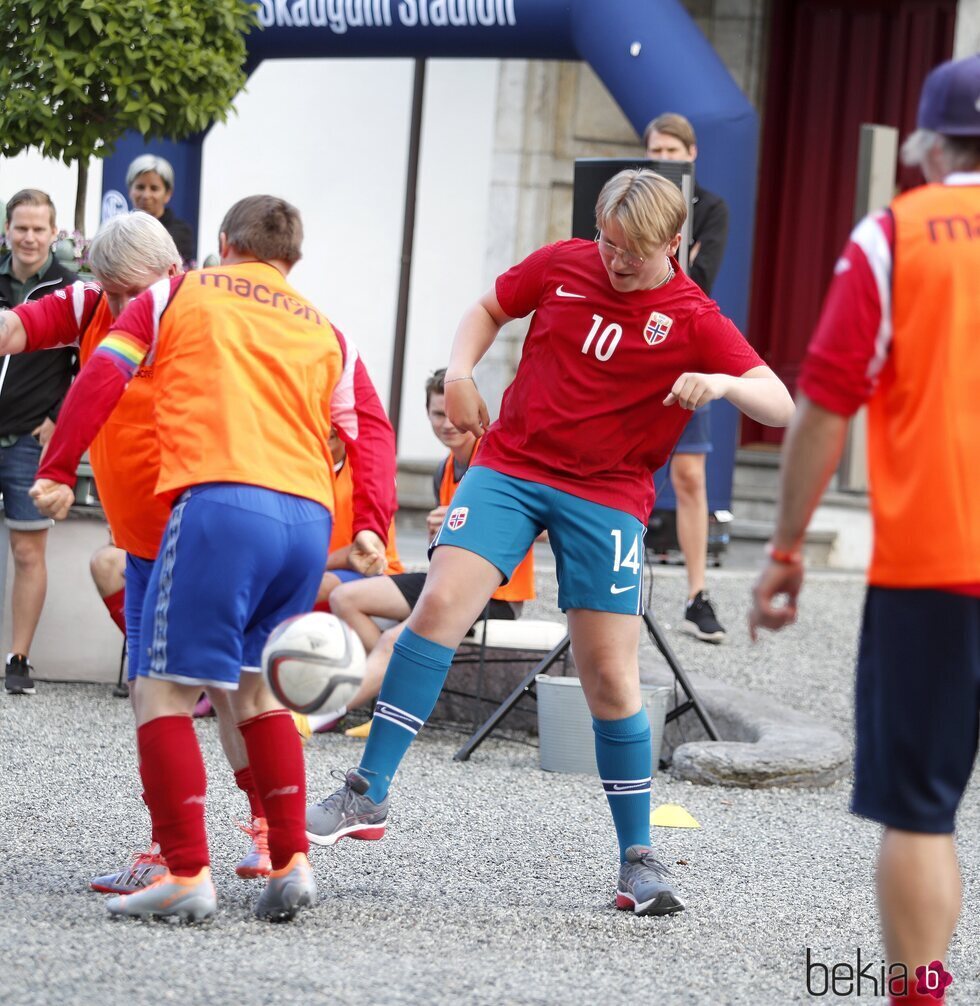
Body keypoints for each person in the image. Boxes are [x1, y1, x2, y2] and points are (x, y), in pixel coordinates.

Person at [306, 169, 793, 915]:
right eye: (606, 239)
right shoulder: (565, 262)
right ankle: (365, 793)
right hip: (511, 465)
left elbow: (781, 403)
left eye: (634, 250)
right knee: (437, 606)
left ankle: (638, 856)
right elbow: (486, 307)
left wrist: (722, 384)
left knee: (608, 676)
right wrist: (463, 370)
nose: (615, 259)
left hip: (607, 493)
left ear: (674, 244)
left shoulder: (695, 317)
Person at [30, 195, 397, 924]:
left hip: (222, 505)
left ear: (222, 243)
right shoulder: (322, 324)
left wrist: (58, 466)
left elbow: (104, 372)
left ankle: (184, 869)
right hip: (305, 520)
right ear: (292, 258)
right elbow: (373, 427)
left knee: (158, 689)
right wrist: (374, 526)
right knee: (257, 692)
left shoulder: (179, 290)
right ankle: (290, 858)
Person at [749, 54, 980, 1006]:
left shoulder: (895, 239)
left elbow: (826, 403)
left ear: (927, 146)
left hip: (936, 567)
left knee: (922, 814)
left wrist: (786, 548)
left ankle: (917, 995)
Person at [307, 368, 534, 740]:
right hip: (446, 581)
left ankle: (319, 713)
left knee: (397, 638)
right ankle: (395, 701)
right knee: (343, 597)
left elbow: (539, 525)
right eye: (437, 414)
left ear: (476, 409)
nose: (447, 423)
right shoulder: (444, 468)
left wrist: (472, 520)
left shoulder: (498, 458)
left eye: (452, 412)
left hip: (494, 593)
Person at [644, 113, 730, 642]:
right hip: (632, 341)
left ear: (691, 154)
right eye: (656, 149)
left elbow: (698, 278)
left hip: (688, 350)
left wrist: (661, 266)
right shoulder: (627, 197)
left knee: (691, 477)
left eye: (673, 150)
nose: (664, 158)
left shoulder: (713, 208)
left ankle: (697, 595)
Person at [0, 189, 78, 695]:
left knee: (28, 552)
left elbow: (90, 366)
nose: (29, 237)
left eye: (38, 229)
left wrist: (58, 419)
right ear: (7, 229)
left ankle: (19, 661)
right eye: (20, 227)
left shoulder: (71, 291)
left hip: (29, 440)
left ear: (55, 233)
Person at [312, 426, 403, 610]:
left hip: (374, 572)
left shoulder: (370, 472)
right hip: (320, 572)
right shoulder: (295, 467)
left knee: (312, 586)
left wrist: (316, 565)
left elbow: (364, 552)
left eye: (336, 413)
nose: (328, 423)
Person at [126, 154, 196, 265]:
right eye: (140, 187)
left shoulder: (181, 232)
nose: (146, 195)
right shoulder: (119, 229)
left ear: (168, 194)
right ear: (130, 190)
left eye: (154, 188)